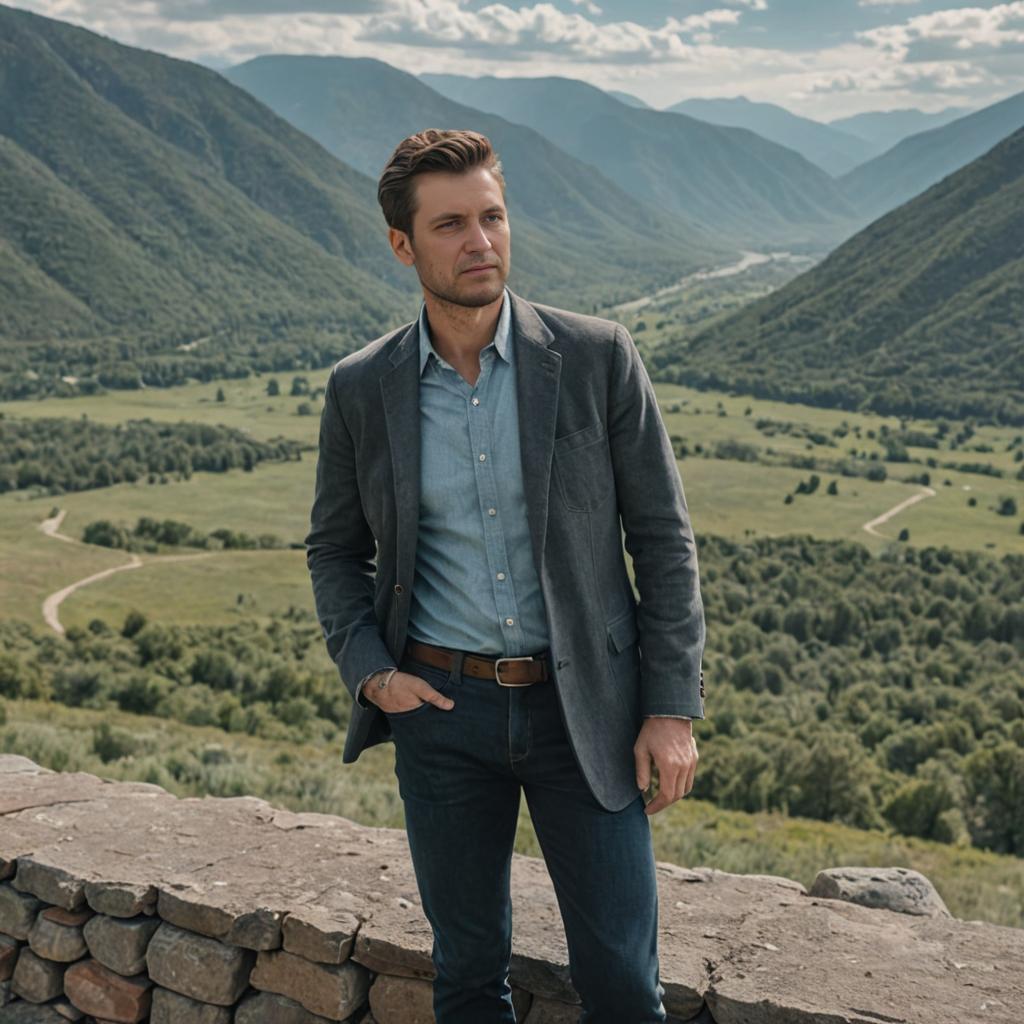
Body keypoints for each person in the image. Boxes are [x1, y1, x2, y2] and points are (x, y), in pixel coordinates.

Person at [305, 128, 706, 1023]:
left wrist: (670, 709)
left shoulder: (597, 356)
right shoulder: (361, 387)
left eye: (492, 216)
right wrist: (373, 672)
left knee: (622, 985)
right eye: (451, 224)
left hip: (587, 714)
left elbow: (663, 538)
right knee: (467, 975)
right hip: (442, 714)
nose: (480, 241)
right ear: (403, 245)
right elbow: (335, 549)